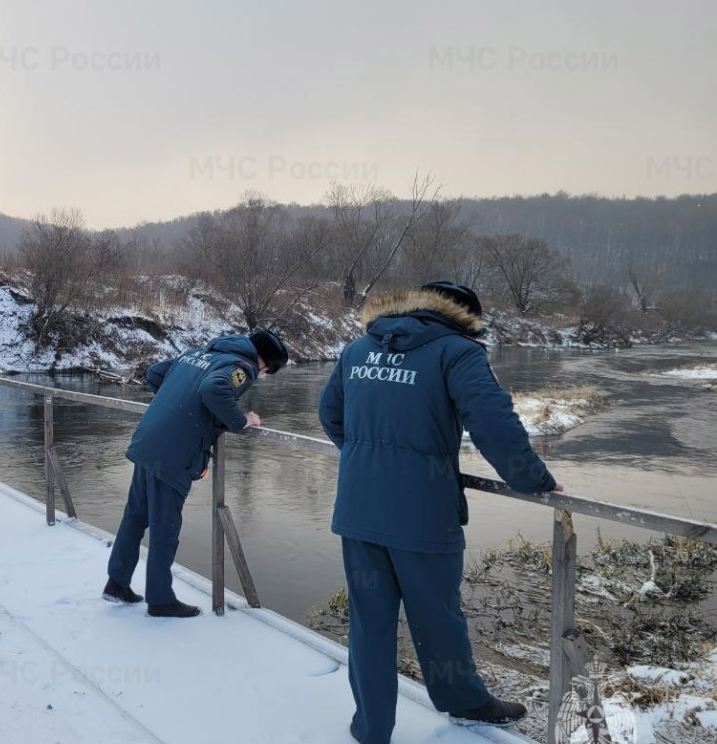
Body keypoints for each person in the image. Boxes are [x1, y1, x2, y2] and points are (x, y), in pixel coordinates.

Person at [317, 282, 562, 744]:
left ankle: (371, 729)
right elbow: (494, 423)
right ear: (463, 317)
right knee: (438, 614)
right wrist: (535, 481)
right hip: (423, 511)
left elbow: (329, 414)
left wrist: (365, 461)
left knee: (369, 622)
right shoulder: (458, 352)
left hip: (358, 507)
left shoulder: (359, 347)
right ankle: (465, 700)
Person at [104, 329, 289, 618]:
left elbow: (154, 374)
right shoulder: (243, 368)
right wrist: (241, 421)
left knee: (136, 515)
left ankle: (116, 583)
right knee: (165, 526)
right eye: (266, 371)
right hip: (174, 453)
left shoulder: (199, 352)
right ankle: (160, 599)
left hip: (150, 439)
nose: (261, 375)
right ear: (265, 363)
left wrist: (177, 406)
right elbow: (214, 390)